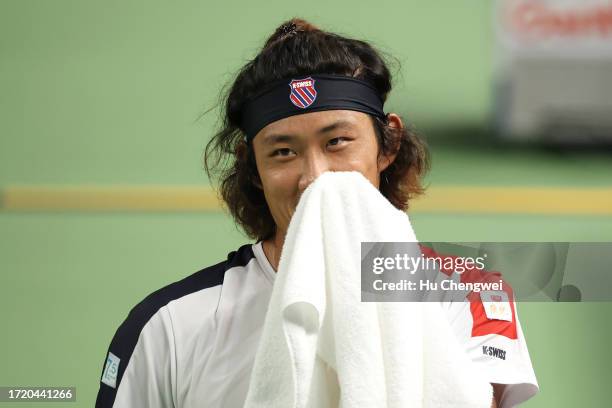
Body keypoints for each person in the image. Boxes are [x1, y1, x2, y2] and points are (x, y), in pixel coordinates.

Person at [95, 18, 538, 408]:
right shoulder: (169, 324)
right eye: (283, 152)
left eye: (337, 142)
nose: (315, 176)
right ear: (253, 168)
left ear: (388, 145)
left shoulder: (472, 295)